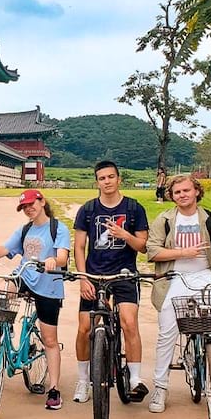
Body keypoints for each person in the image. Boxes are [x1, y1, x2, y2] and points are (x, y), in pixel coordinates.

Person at [0, 189, 70, 409]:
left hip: (49, 285)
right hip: (24, 276)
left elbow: (63, 256)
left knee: (49, 340)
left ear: (42, 202)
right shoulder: (25, 229)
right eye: (25, 207)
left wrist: (53, 261)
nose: (29, 209)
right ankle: (4, 329)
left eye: (32, 204)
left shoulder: (58, 228)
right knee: (0, 292)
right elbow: (5, 248)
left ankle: (54, 388)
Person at [146, 175, 211, 413]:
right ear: (171, 196)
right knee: (167, 333)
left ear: (196, 192)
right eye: (177, 192)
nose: (182, 195)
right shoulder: (165, 219)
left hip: (204, 275)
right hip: (173, 278)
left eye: (186, 190)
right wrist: (183, 253)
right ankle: (160, 387)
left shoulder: (210, 219)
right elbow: (152, 251)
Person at [72, 160, 149, 404]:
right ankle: (84, 380)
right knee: (85, 328)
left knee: (128, 323)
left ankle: (135, 378)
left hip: (124, 273)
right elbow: (79, 246)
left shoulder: (134, 208)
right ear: (97, 182)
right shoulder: (88, 210)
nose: (106, 181)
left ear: (119, 179)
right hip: (95, 275)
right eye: (102, 178)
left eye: (110, 177)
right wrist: (84, 278)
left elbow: (143, 247)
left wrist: (124, 234)